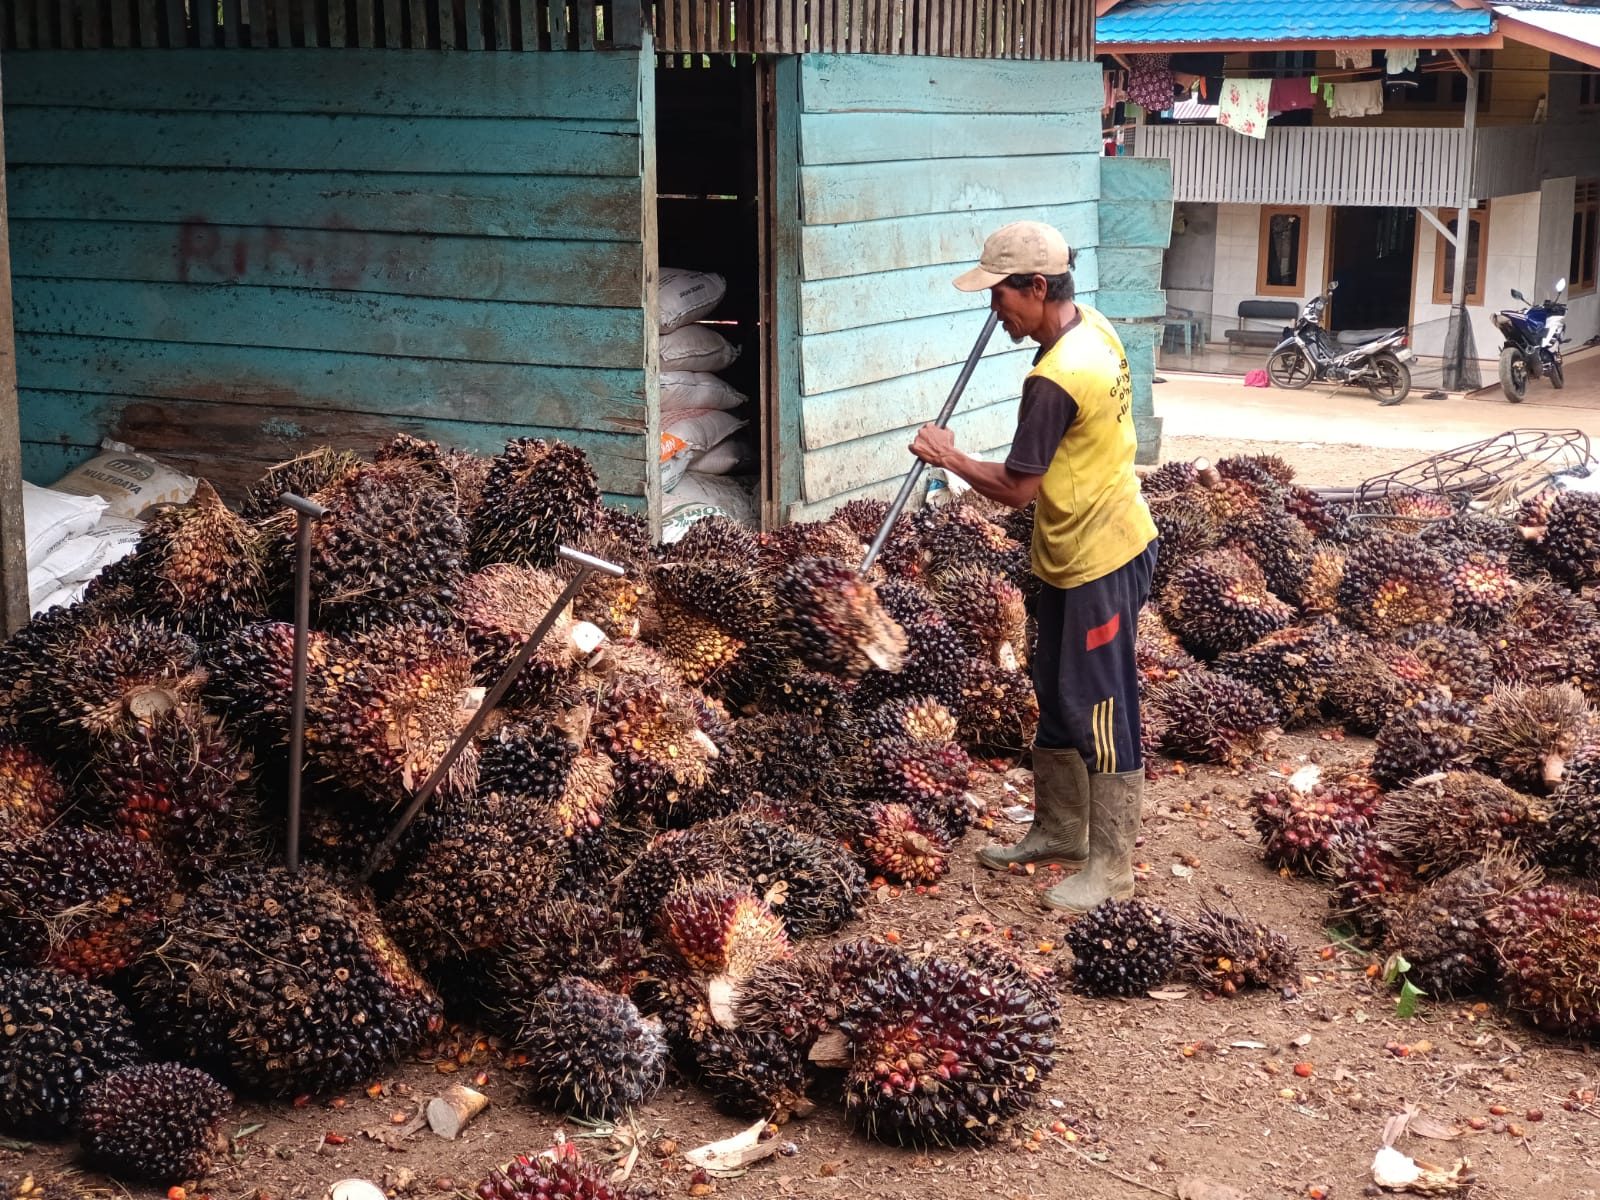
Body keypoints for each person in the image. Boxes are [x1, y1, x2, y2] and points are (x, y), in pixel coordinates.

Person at [909, 220, 1159, 913]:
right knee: (1053, 686)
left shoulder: (1056, 378)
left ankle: (1110, 867)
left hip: (1100, 557)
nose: (995, 310)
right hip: (1071, 547)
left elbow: (1018, 489)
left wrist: (948, 457)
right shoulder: (1091, 327)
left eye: (1002, 296)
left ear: (1039, 286)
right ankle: (1059, 829)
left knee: (1102, 706)